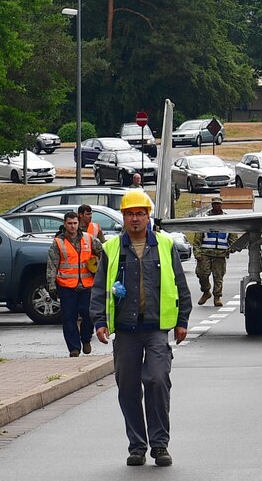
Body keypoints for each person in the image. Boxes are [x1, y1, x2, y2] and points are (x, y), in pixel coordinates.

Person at [89, 190, 192, 467]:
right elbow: (99, 287)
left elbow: (179, 283)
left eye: (140, 214)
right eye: (130, 214)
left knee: (157, 380)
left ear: (148, 216)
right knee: (128, 388)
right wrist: (99, 321)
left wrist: (182, 320)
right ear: (123, 217)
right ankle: (137, 446)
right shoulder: (111, 248)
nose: (135, 219)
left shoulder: (164, 244)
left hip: (156, 327)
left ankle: (159, 445)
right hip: (125, 329)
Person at [47, 211, 102, 357]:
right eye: (70, 223)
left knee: (89, 314)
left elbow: (103, 253)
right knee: (69, 318)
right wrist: (51, 284)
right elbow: (52, 264)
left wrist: (99, 267)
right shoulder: (58, 242)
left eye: (75, 223)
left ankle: (86, 339)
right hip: (66, 285)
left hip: (87, 285)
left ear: (78, 223)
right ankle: (74, 348)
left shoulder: (89, 239)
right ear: (65, 224)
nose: (72, 226)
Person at [189, 196, 235, 306]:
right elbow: (197, 238)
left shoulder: (227, 219)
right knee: (202, 274)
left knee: (218, 276)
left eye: (218, 204)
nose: (216, 206)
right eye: (214, 204)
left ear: (221, 205)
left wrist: (233, 247)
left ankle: (217, 296)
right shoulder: (205, 219)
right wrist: (197, 253)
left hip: (220, 253)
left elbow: (233, 235)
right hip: (205, 252)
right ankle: (206, 291)